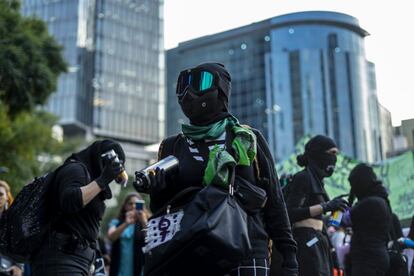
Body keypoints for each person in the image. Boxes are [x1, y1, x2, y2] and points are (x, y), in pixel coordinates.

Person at [146, 62, 298, 275]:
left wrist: (289, 256)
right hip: (191, 251)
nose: (188, 93)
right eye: (183, 85)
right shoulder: (172, 146)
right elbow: (163, 211)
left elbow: (275, 200)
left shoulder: (246, 138)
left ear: (221, 90)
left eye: (201, 82)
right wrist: (158, 192)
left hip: (247, 249)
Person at [30, 140, 126, 276]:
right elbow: (70, 200)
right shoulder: (75, 169)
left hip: (78, 259)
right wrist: (103, 180)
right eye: (114, 163)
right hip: (62, 258)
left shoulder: (89, 177)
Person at [284, 135, 348, 276]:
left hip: (318, 242)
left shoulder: (317, 181)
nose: (335, 157)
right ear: (318, 153)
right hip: (306, 244)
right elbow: (290, 213)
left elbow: (319, 220)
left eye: (336, 153)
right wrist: (325, 206)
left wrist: (333, 254)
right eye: (331, 153)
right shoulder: (303, 178)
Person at [347, 163, 392, 276]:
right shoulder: (381, 200)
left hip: (367, 260)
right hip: (376, 258)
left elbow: (340, 220)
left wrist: (336, 207)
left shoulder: (369, 203)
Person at [107, 193, 149, 276]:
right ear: (125, 206)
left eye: (136, 204)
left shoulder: (146, 222)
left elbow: (152, 238)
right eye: (130, 203)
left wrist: (144, 221)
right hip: (119, 270)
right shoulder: (117, 222)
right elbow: (111, 237)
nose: (133, 206)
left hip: (140, 270)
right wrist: (126, 223)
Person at [0, 180, 23, 276]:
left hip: (6, 270)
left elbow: (20, 245)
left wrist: (18, 267)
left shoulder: (13, 221)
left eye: (0, 194)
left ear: (7, 197)